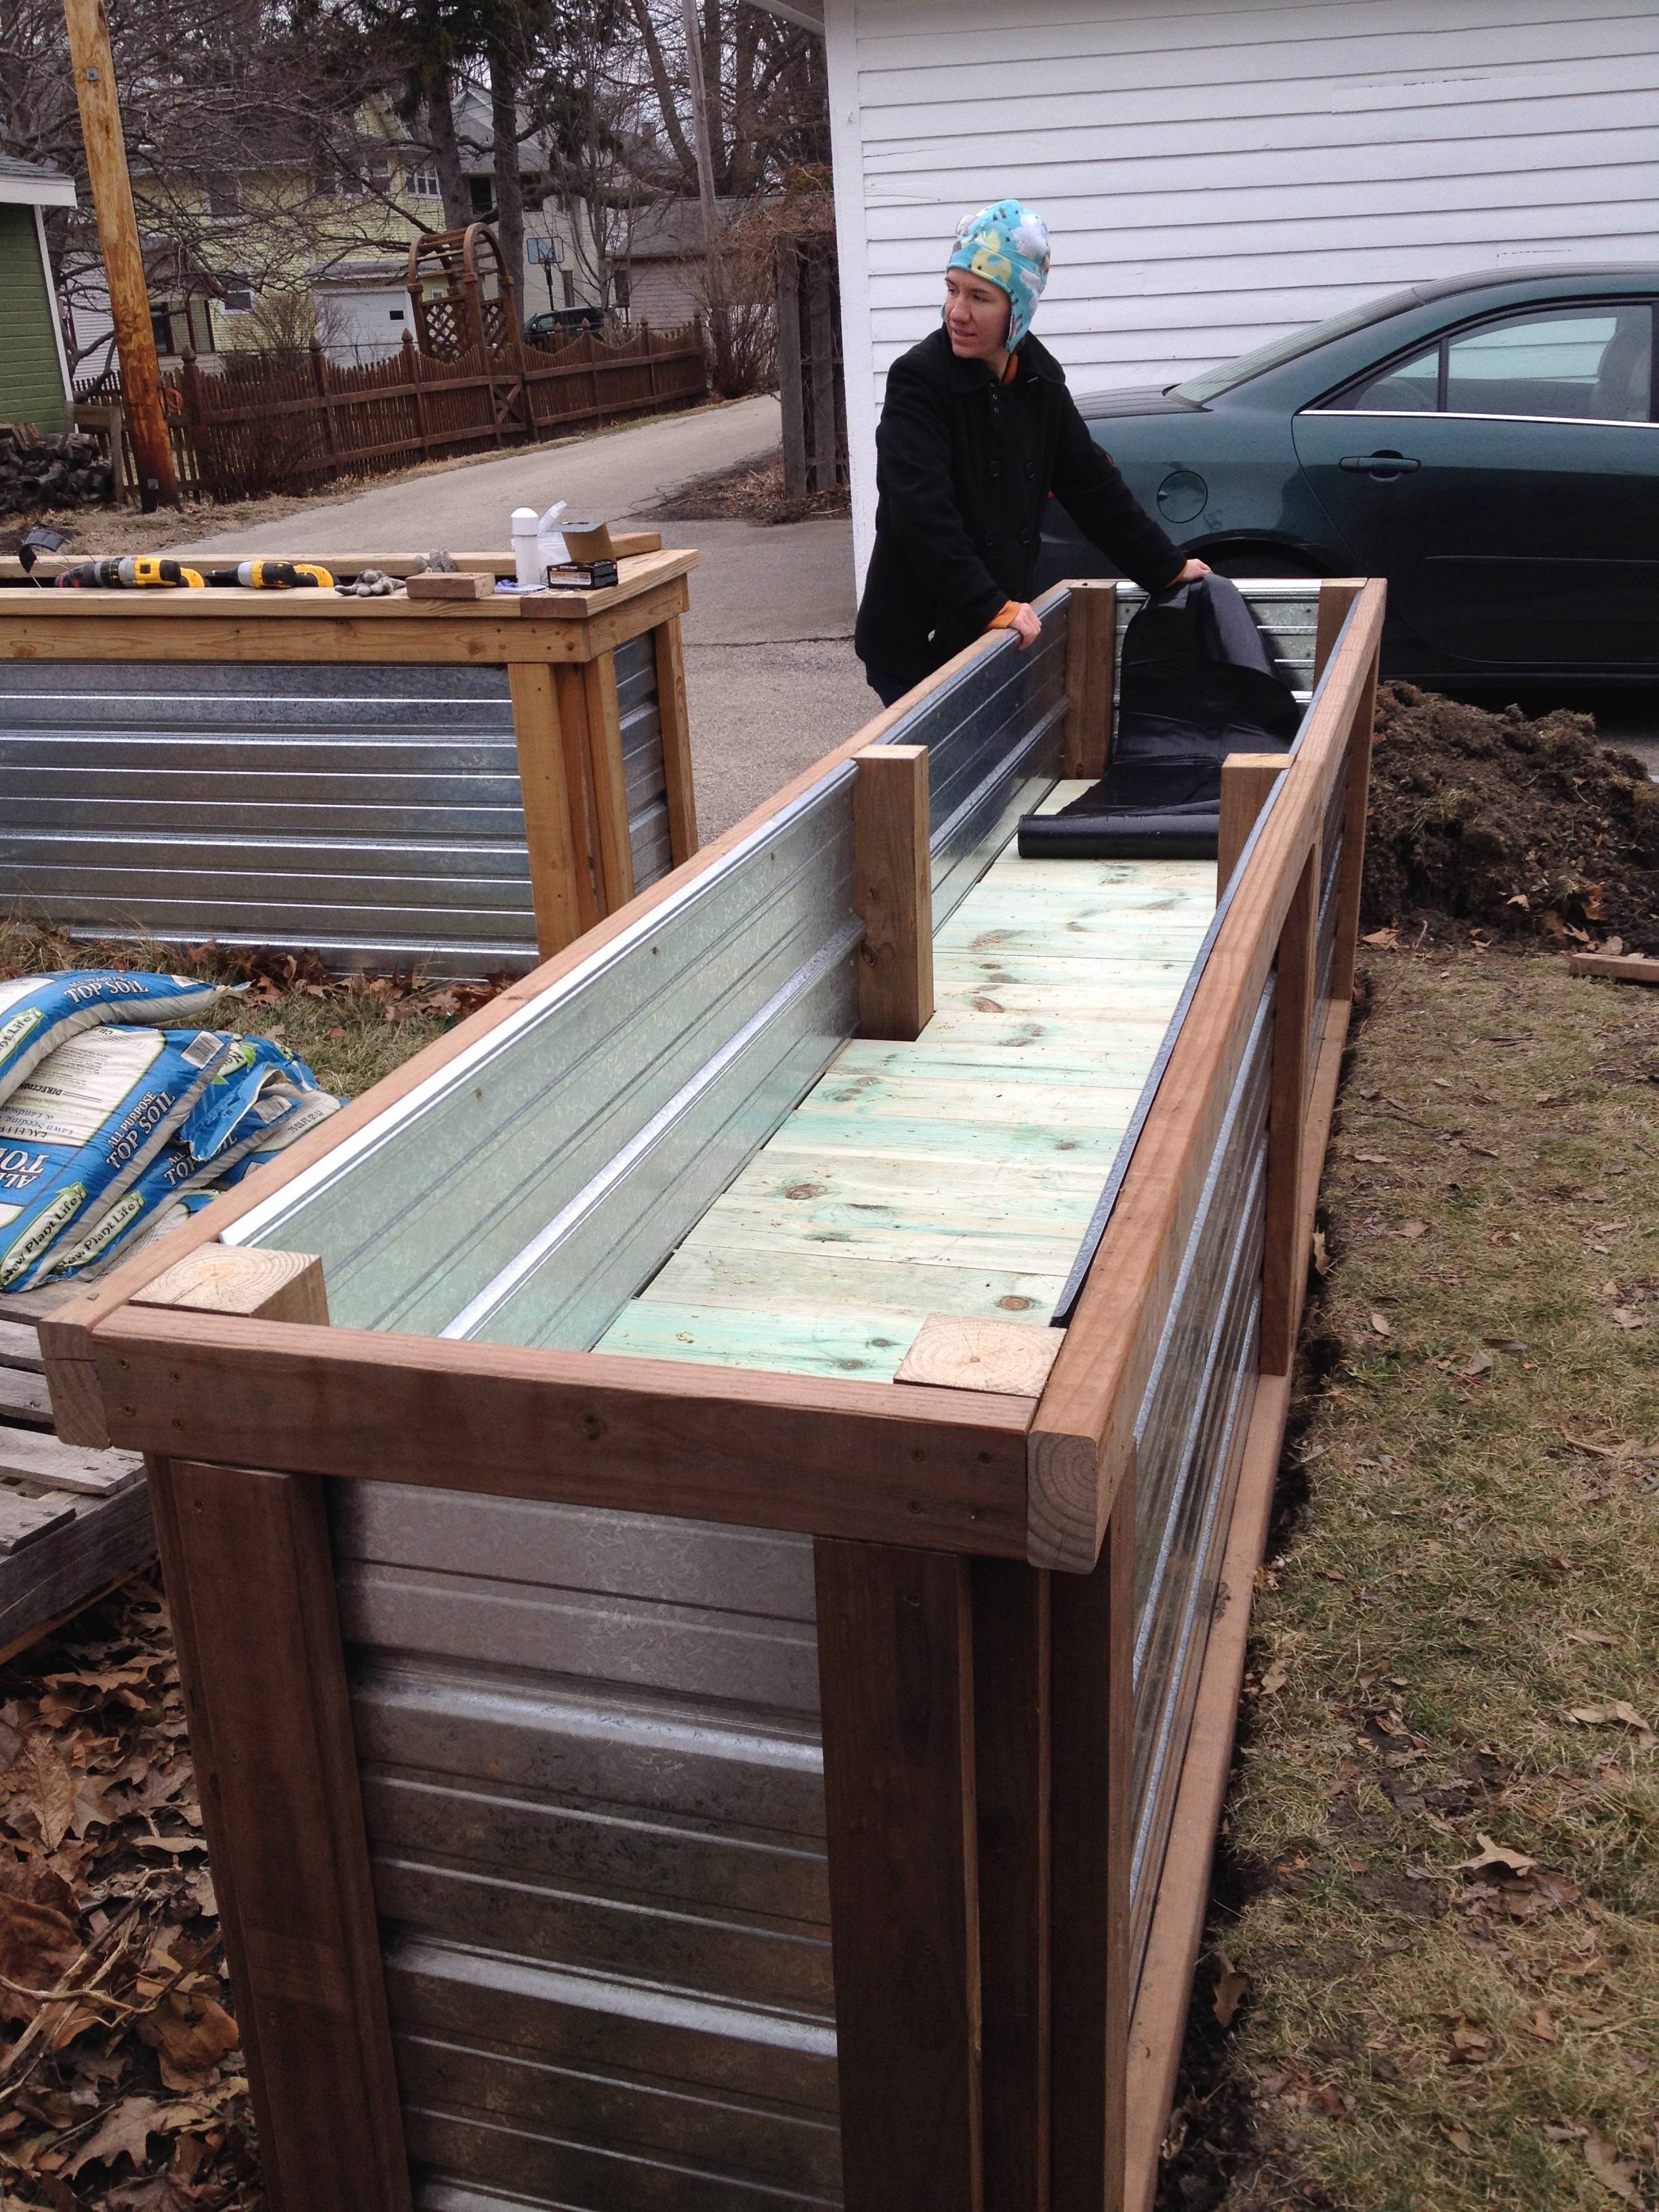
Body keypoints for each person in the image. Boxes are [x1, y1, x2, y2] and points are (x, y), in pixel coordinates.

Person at [855, 199, 1209, 708]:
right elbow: (920, 513)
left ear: (1017, 309)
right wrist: (990, 606)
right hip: (921, 639)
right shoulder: (919, 381)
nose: (958, 311)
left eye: (980, 297)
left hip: (992, 631)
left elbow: (1093, 489)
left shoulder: (1040, 384)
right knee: (946, 781)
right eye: (952, 289)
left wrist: (1167, 567)